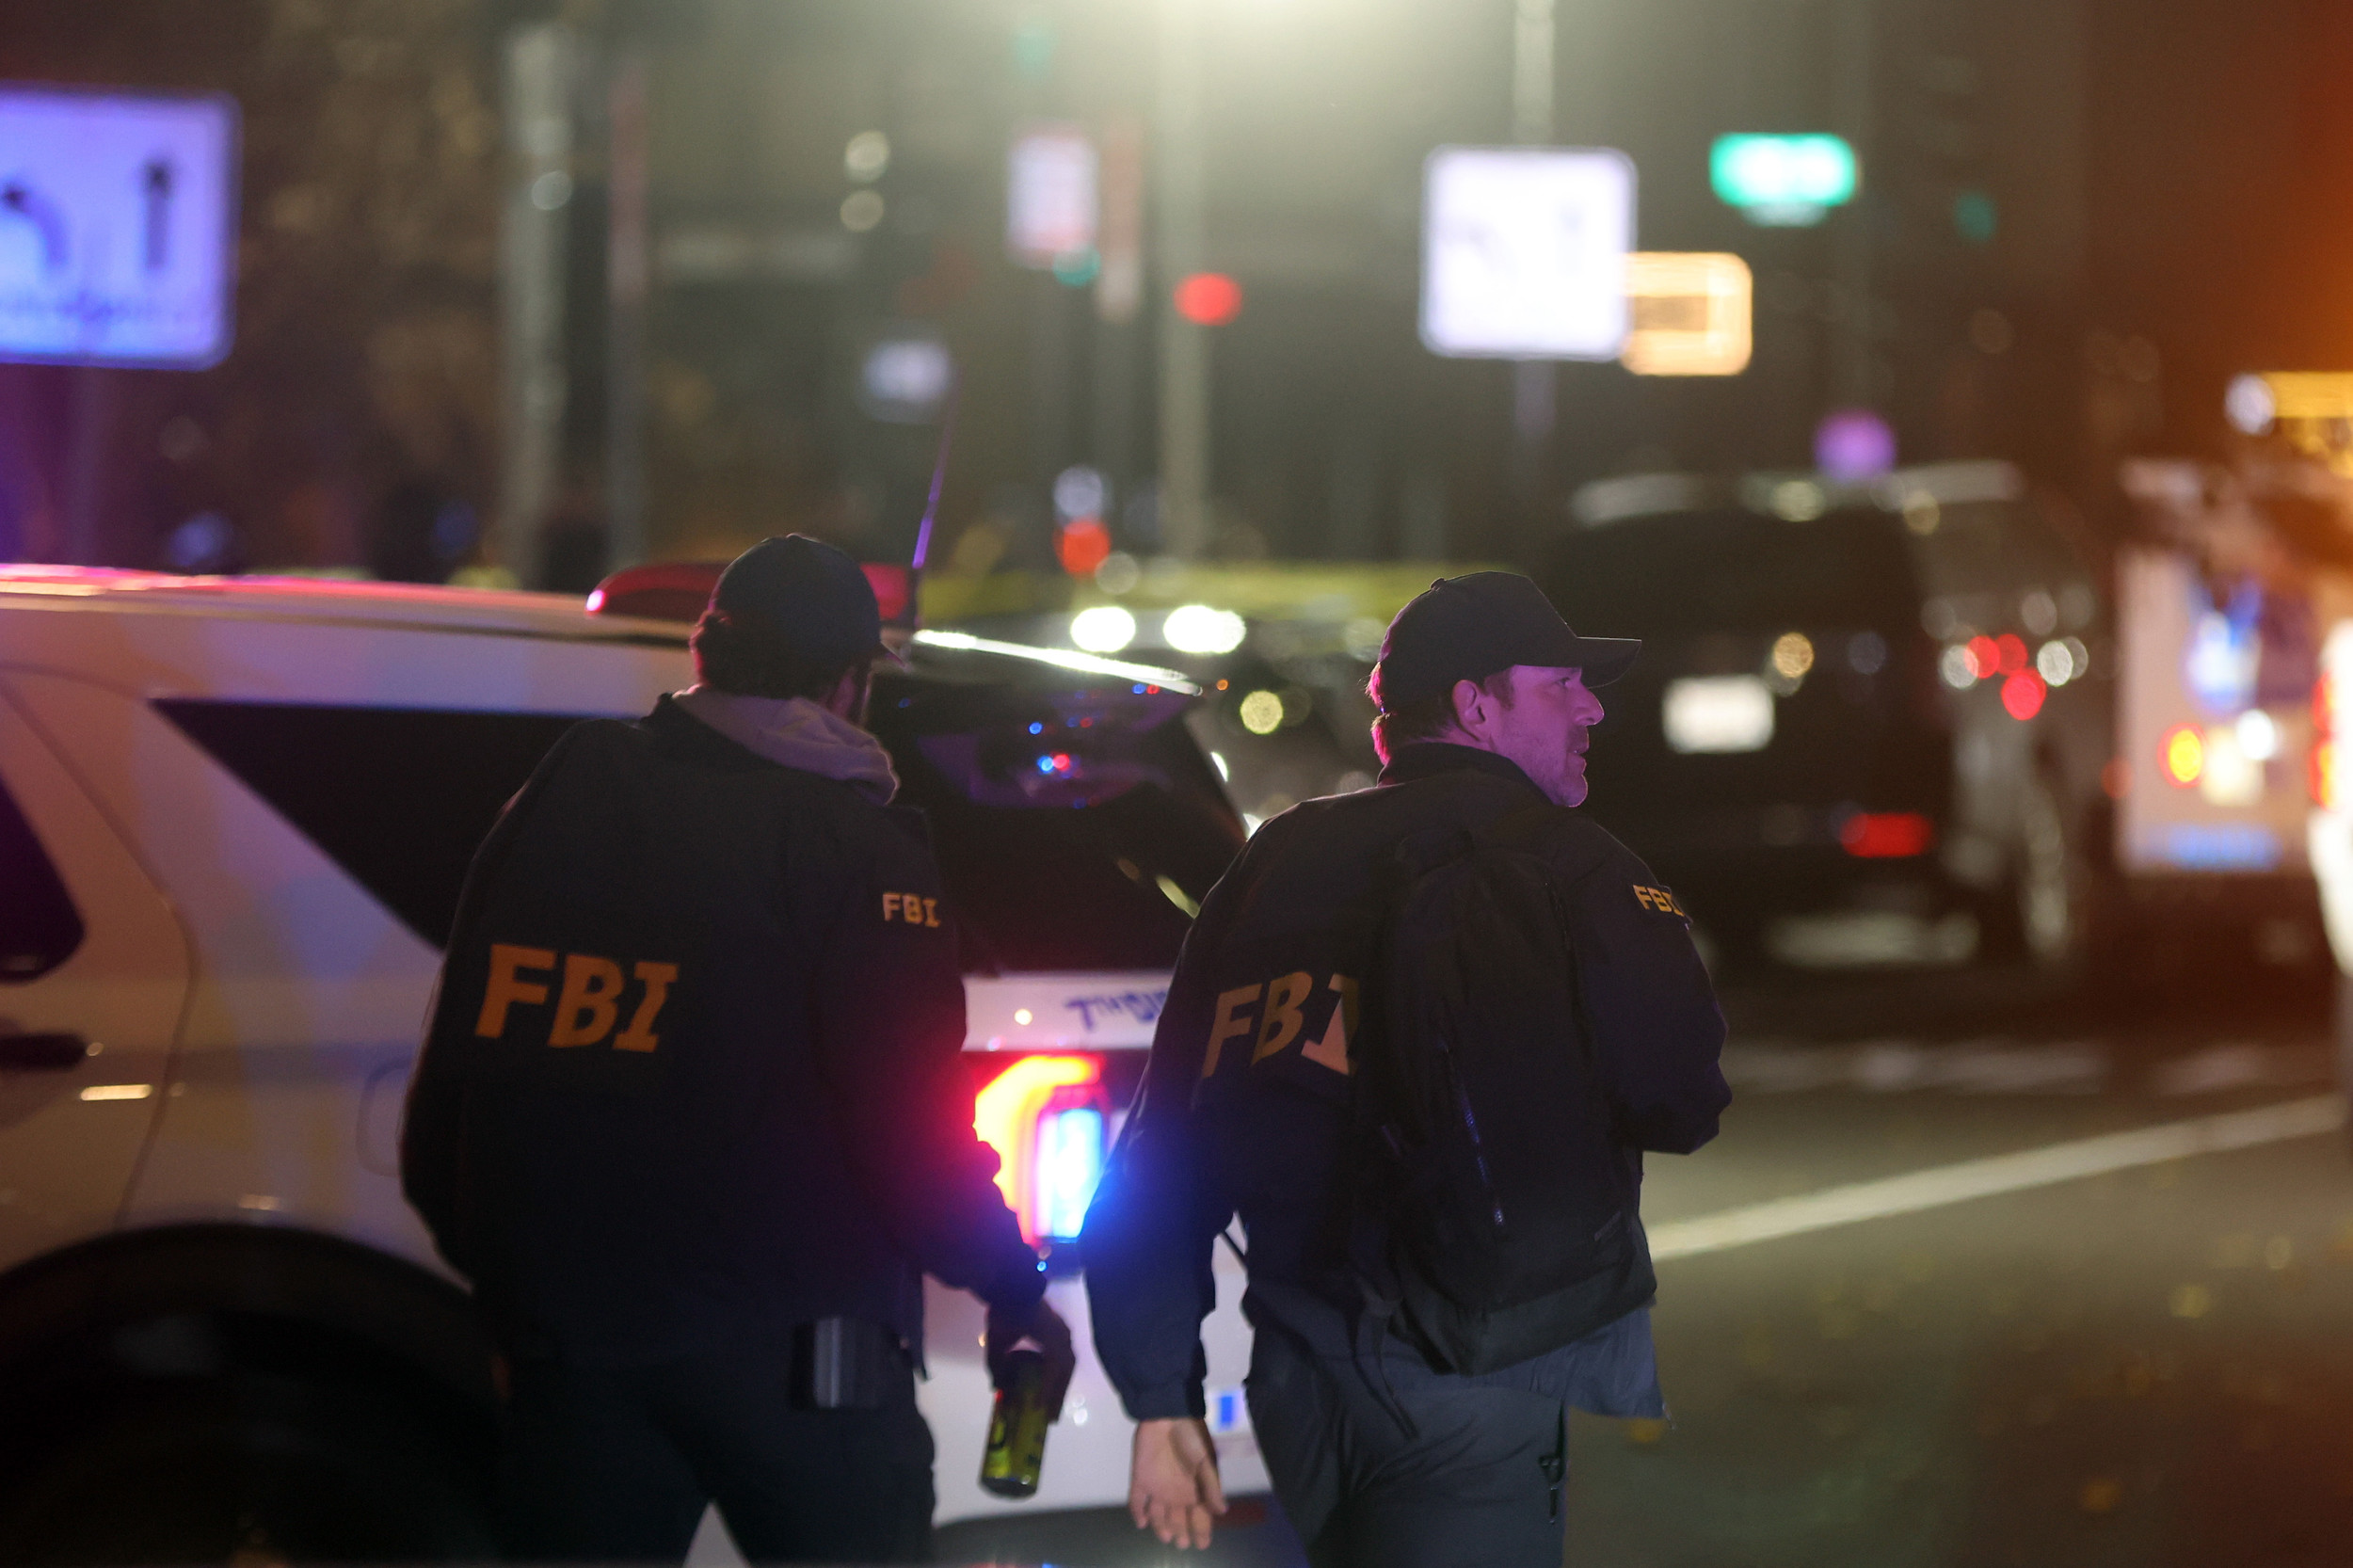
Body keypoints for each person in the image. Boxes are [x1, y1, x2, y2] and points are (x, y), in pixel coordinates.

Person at [401, 534, 1074, 1563]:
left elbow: (457, 1070)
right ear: (845, 682)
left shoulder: (569, 788)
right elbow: (906, 1124)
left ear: (706, 652)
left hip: (574, 1358)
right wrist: (1010, 1285)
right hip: (803, 1366)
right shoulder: (852, 843)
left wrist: (513, 1296)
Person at [1082, 571, 1729, 1568]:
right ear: (1477, 704)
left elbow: (1164, 1151)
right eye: (1561, 683)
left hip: (1300, 1378)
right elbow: (1679, 1099)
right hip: (1473, 1373)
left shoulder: (1269, 867)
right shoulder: (1571, 866)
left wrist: (1158, 1394)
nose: (1591, 708)